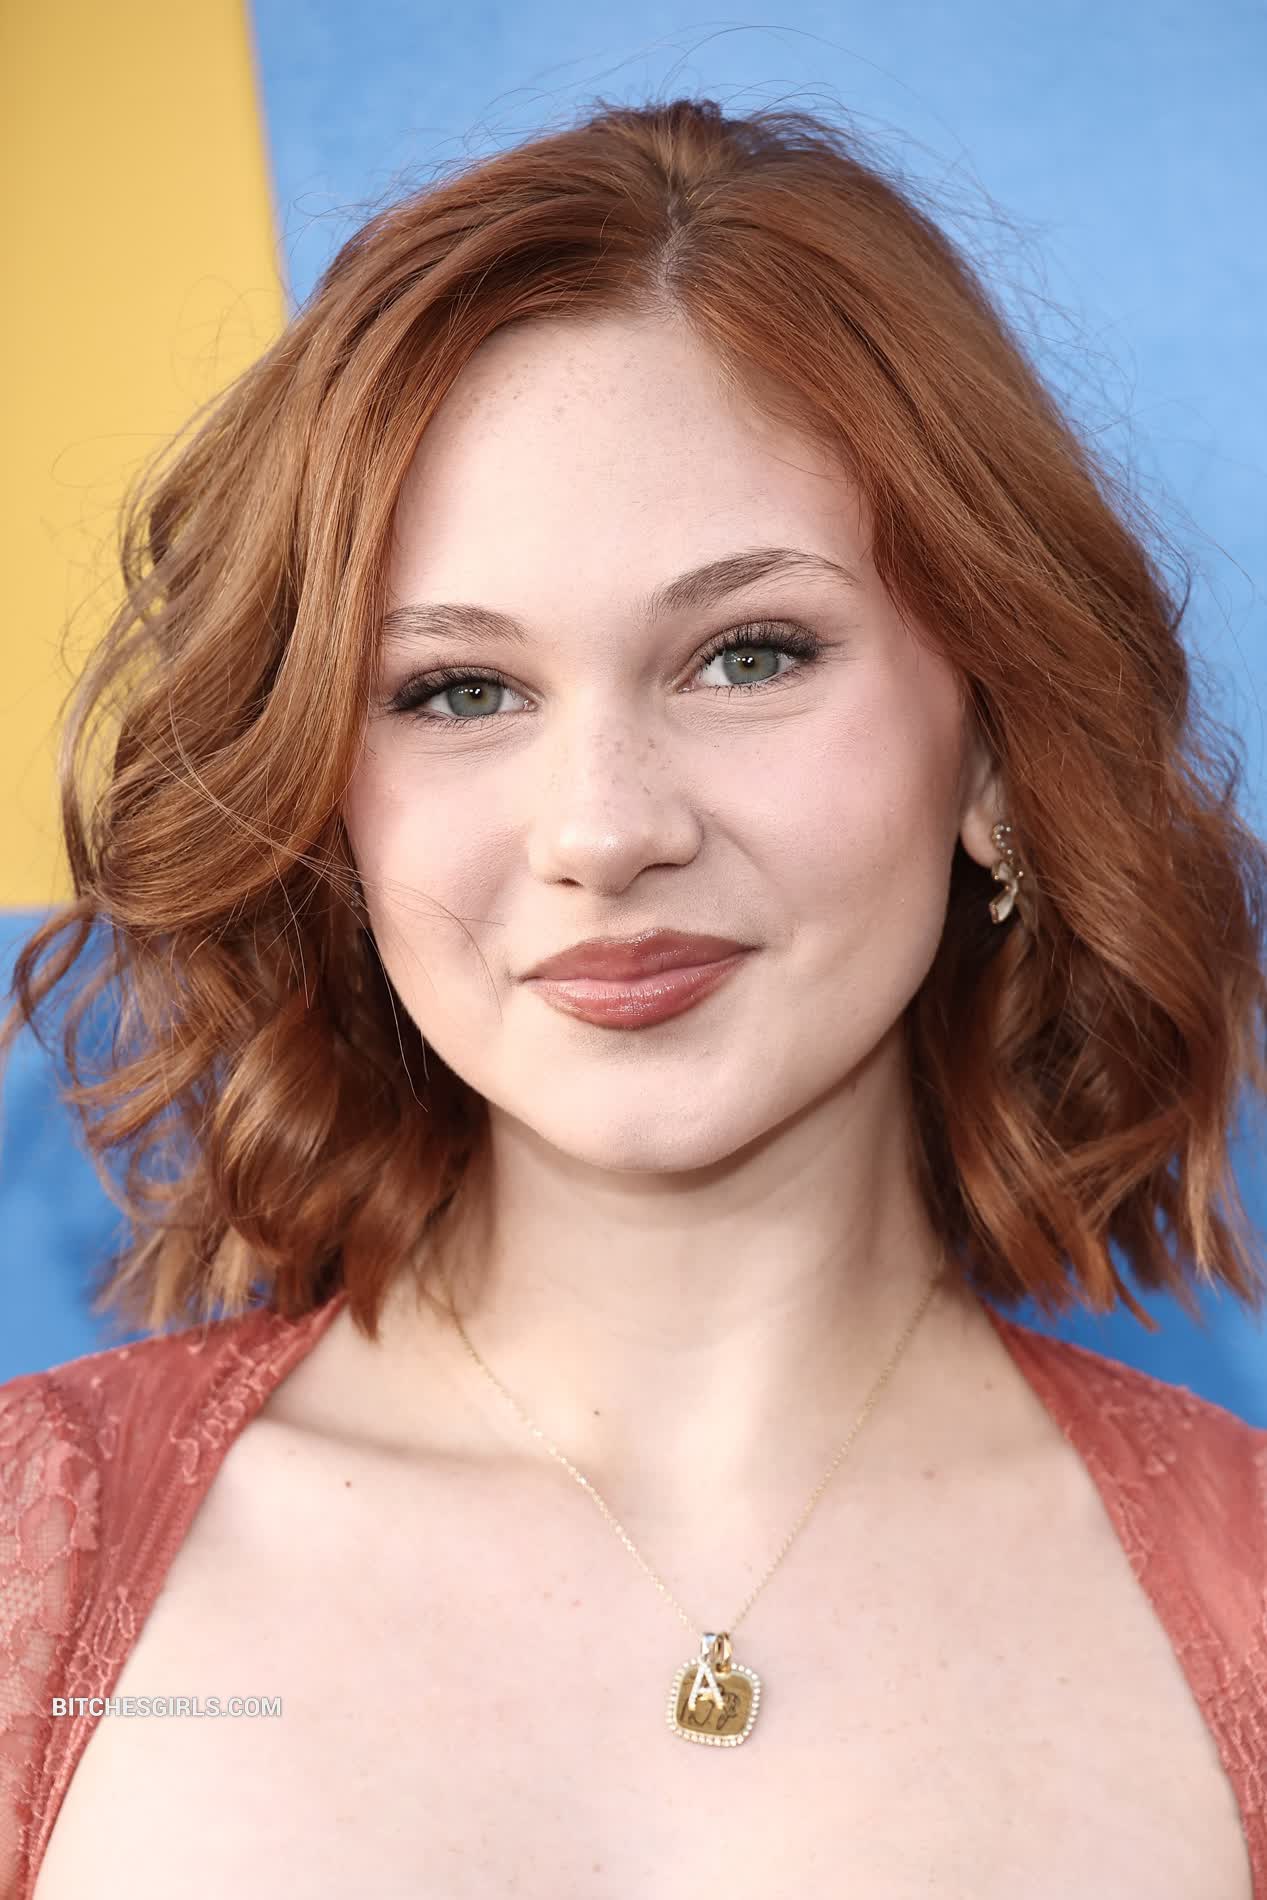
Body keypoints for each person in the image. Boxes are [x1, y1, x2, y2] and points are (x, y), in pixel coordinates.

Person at [1, 94, 1264, 1899]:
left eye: (749, 656)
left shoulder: (1242, 1604)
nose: (602, 830)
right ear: (324, 799)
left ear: (992, 751)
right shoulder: (33, 1580)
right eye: (456, 690)